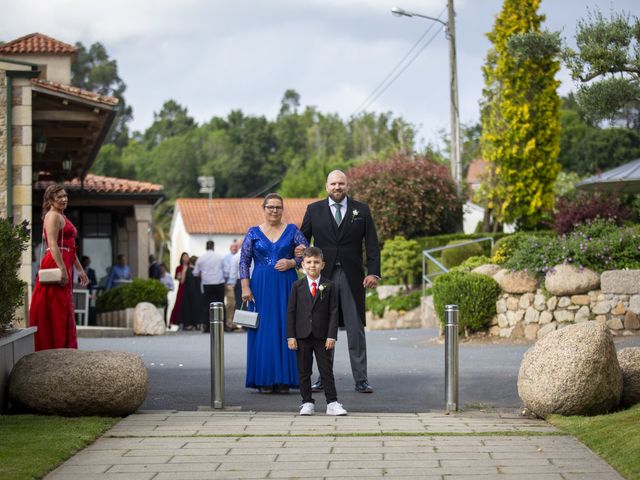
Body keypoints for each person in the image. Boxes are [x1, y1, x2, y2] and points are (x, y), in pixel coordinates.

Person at [297, 170, 381, 394]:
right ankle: (324, 378)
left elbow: (372, 244)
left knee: (355, 328)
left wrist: (373, 273)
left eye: (341, 184)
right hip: (322, 276)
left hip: (353, 278)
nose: (337, 187)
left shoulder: (361, 210)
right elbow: (301, 240)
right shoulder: (313, 210)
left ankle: (361, 379)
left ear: (347, 186)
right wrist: (297, 258)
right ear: (326, 187)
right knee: (323, 328)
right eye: (333, 183)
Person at [240, 193, 309, 393]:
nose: (274, 210)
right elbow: (244, 261)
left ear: (282, 209)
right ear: (263, 208)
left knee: (286, 327)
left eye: (278, 207)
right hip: (260, 285)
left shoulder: (293, 230)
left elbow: (309, 253)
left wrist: (292, 262)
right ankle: (264, 379)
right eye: (270, 207)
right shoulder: (252, 232)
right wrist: (245, 287)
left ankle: (284, 380)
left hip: (287, 284)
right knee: (263, 329)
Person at [287, 246, 347, 416]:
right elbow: (291, 312)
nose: (312, 265)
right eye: (309, 262)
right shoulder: (297, 286)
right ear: (303, 265)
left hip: (322, 336)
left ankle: (332, 403)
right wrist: (291, 336)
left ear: (323, 264)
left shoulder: (330, 286)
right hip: (302, 335)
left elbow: (334, 312)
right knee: (304, 370)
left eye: (316, 262)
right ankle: (307, 402)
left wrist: (331, 335)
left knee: (326, 370)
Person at [30, 184, 89, 351]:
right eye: (59, 197)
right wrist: (62, 269)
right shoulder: (52, 216)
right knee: (55, 308)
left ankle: (64, 347)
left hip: (65, 261)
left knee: (63, 306)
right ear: (50, 200)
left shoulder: (61, 215)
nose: (64, 199)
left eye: (65, 196)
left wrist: (80, 270)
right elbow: (53, 244)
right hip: (56, 263)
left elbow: (70, 247)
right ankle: (54, 347)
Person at [194, 240, 226, 332]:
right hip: (219, 282)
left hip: (207, 284)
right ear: (213, 247)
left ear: (206, 247)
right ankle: (223, 326)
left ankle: (207, 326)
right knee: (221, 304)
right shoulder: (220, 257)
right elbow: (225, 270)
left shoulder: (201, 258)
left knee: (206, 305)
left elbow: (195, 273)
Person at [179, 255, 204, 330]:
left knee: (196, 307)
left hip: (195, 292)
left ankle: (196, 324)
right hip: (190, 292)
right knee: (192, 307)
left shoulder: (197, 270)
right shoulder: (188, 269)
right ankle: (192, 324)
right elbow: (182, 281)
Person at [223, 240, 241, 331]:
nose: (234, 248)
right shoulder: (226, 258)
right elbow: (226, 272)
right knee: (230, 304)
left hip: (238, 282)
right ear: (230, 248)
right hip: (230, 284)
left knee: (238, 303)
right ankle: (229, 323)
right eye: (233, 247)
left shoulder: (240, 256)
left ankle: (235, 323)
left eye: (236, 247)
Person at [169, 252, 189, 327]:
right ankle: (177, 321)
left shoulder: (190, 267)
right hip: (182, 287)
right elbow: (179, 278)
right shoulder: (179, 268)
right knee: (179, 303)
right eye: (184, 257)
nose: (186, 258)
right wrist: (183, 271)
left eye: (187, 257)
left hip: (189, 288)